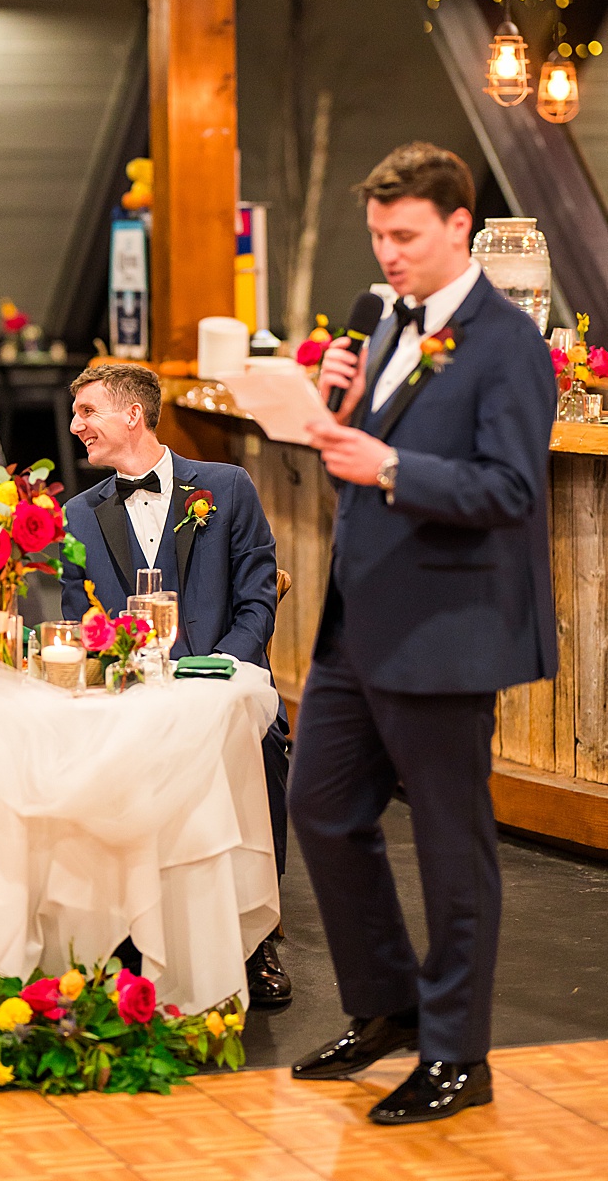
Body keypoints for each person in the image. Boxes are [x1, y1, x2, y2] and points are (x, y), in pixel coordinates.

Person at [292, 142, 556, 1124]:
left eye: (404, 235)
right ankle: (387, 1004)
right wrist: (337, 414)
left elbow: (511, 487)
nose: (388, 254)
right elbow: (355, 464)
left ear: (458, 225)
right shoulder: (386, 321)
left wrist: (391, 466)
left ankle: (456, 1054)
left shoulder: (504, 343)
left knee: (452, 844)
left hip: (446, 624)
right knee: (318, 804)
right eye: (376, 236)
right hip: (358, 617)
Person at [59, 362, 291, 1008]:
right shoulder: (79, 515)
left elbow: (256, 602)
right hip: (132, 690)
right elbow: (81, 620)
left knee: (263, 741)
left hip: (224, 680)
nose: (77, 427)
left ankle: (257, 933)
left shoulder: (226, 487)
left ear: (132, 414)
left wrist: (220, 669)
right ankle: (127, 928)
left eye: (87, 412)